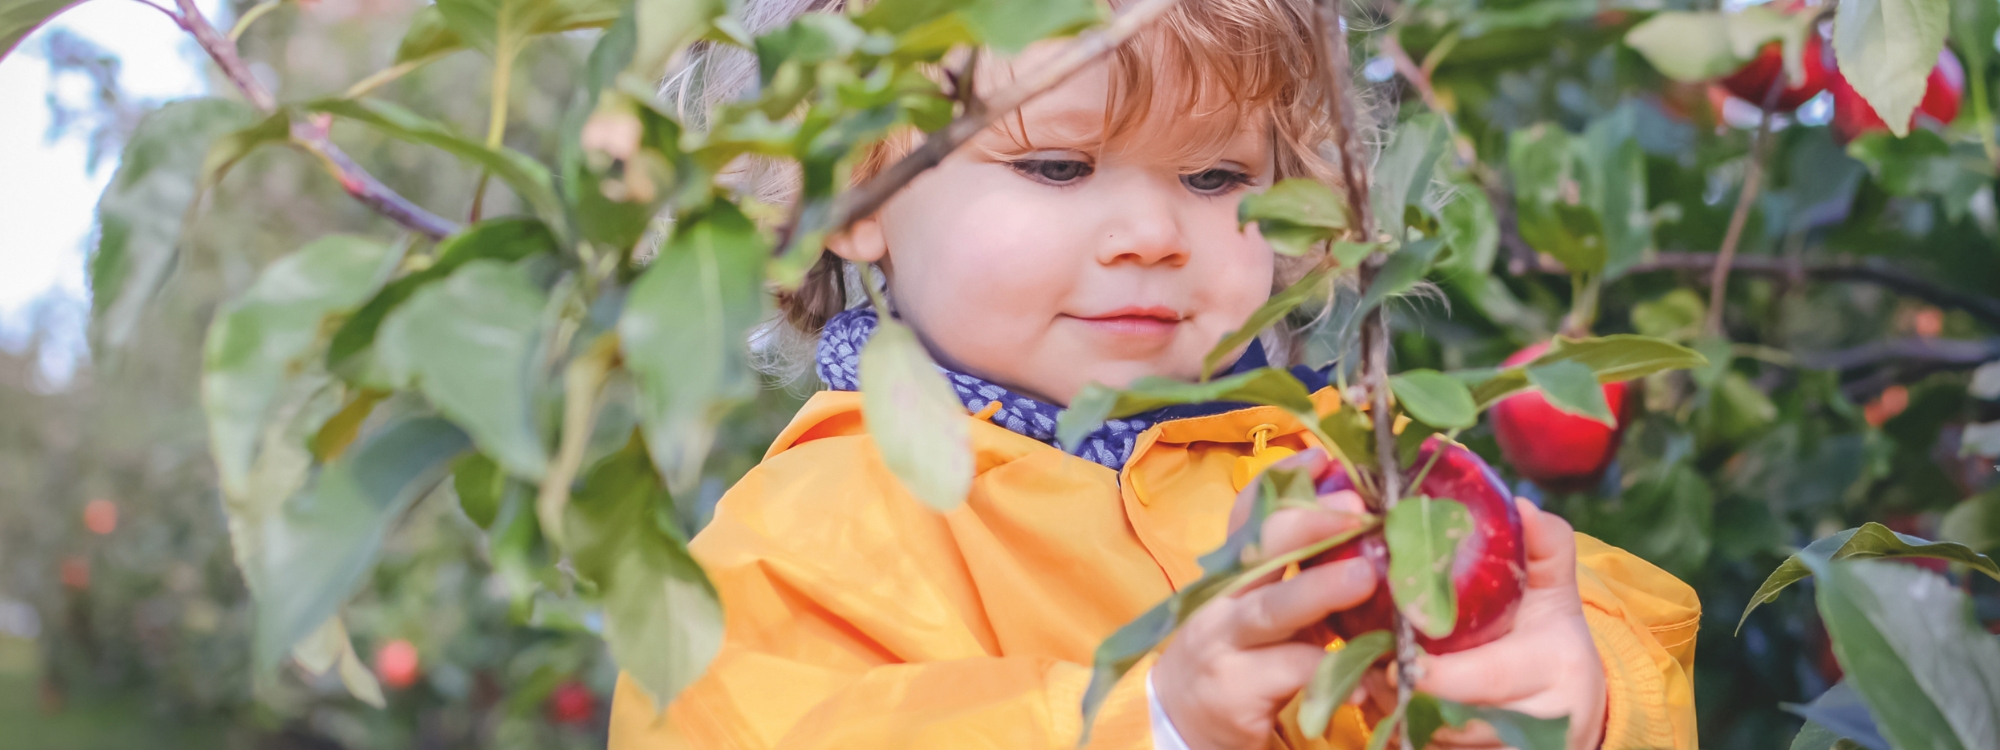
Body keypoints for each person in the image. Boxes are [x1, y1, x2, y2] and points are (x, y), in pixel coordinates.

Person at [609, 0, 1699, 747]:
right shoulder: (812, 537)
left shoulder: (1349, 475)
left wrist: (1574, 700)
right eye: (1055, 164)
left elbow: (1632, 634)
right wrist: (1157, 724)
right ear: (848, 195)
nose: (1149, 232)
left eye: (1216, 173)